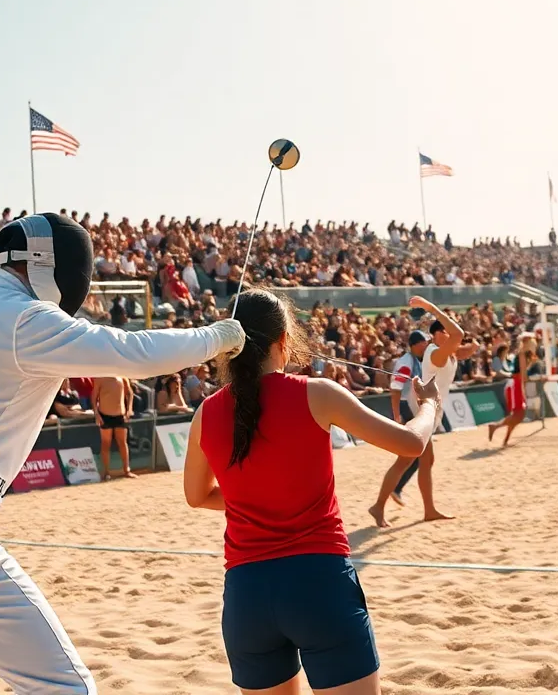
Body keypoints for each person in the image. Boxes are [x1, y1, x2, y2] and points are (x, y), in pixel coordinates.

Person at [0, 212, 244, 694]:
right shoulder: (25, 318)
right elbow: (132, 352)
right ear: (47, 264)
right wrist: (219, 337)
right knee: (64, 687)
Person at [182, 289, 440, 695]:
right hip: (318, 582)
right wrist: (430, 406)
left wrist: (259, 495)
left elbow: (197, 496)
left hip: (247, 594)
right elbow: (411, 443)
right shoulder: (316, 393)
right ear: (283, 340)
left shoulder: (207, 411)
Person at [370, 296, 460, 528]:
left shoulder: (443, 354)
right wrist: (431, 308)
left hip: (428, 412)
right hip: (420, 412)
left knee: (424, 460)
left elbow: (461, 341)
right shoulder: (431, 354)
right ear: (436, 335)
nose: (450, 335)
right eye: (445, 331)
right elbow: (395, 388)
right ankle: (379, 506)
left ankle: (428, 509)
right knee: (406, 460)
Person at [385, 330, 428, 507]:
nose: (427, 346)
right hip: (405, 408)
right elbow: (395, 389)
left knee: (414, 455)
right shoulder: (405, 362)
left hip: (410, 408)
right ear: (417, 344)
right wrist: (397, 415)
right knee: (413, 455)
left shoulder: (415, 360)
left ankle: (395, 489)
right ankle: (393, 490)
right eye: (425, 342)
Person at [490, 333, 539, 445]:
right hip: (515, 384)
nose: (534, 347)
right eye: (533, 345)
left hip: (517, 383)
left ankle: (505, 438)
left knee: (518, 415)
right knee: (518, 414)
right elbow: (523, 375)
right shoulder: (522, 354)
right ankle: (495, 426)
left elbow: (523, 373)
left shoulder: (524, 355)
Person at [92, 376, 135, 480]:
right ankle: (106, 472)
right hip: (105, 415)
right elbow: (94, 397)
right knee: (106, 444)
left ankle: (126, 470)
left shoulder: (122, 377)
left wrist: (129, 409)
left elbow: (129, 393)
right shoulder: (100, 379)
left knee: (122, 443)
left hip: (120, 415)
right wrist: (96, 414)